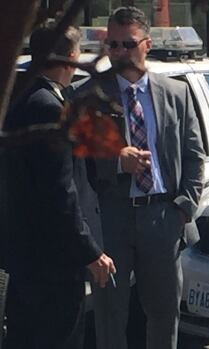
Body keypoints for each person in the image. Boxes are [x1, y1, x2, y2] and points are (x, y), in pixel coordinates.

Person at [74, 7, 206, 349]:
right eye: (112, 45)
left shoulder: (175, 94)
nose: (118, 53)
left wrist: (184, 209)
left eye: (127, 44)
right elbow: (78, 162)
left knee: (164, 314)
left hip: (162, 216)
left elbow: (194, 155)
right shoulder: (91, 96)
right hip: (112, 218)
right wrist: (118, 162)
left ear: (146, 44)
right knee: (110, 315)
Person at [2, 24, 116, 349]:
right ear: (70, 58)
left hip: (21, 256)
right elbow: (60, 194)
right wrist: (91, 252)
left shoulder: (18, 98)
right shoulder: (50, 109)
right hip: (52, 262)